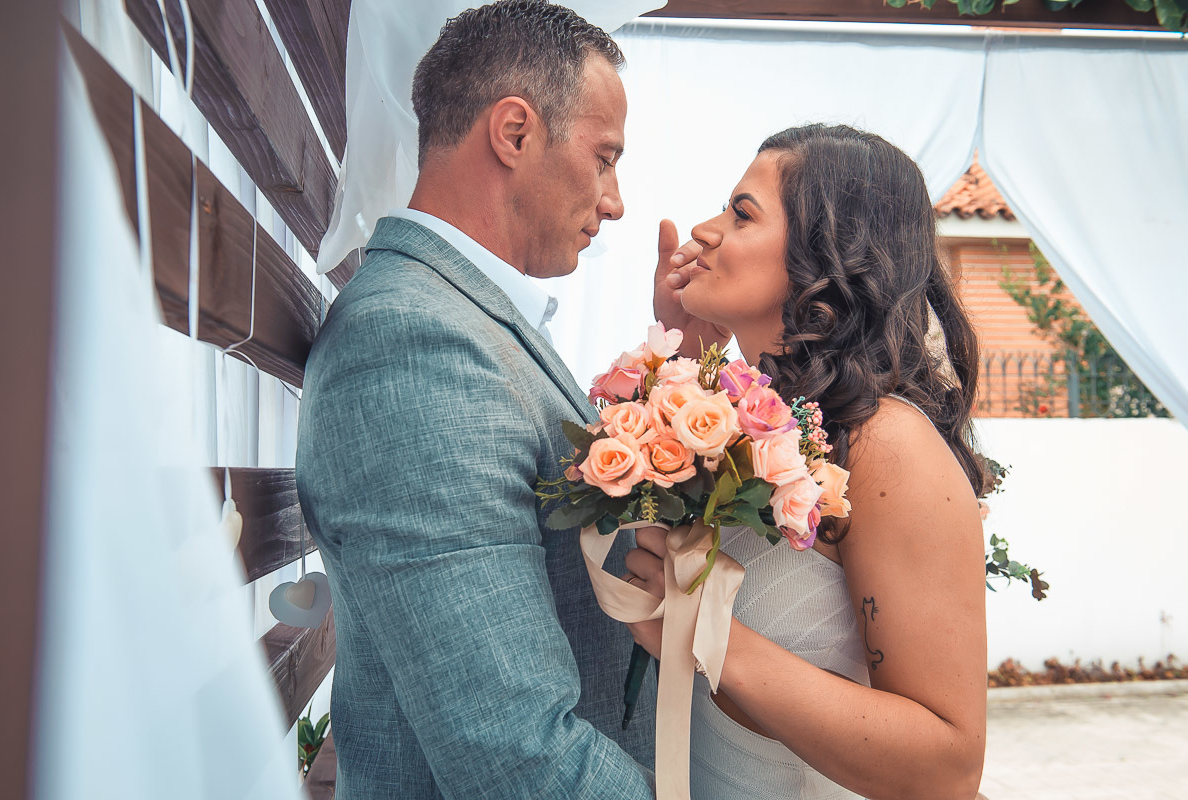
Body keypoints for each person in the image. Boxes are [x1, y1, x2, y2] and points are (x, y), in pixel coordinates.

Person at [295, 2, 656, 798]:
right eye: (604, 157)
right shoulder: (412, 347)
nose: (616, 199)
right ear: (515, 132)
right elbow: (517, 750)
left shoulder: (455, 319)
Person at [625, 124, 989, 799]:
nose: (703, 231)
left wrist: (712, 633)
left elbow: (949, 769)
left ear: (824, 255)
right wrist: (682, 363)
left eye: (741, 214)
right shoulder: (742, 422)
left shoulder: (887, 444)